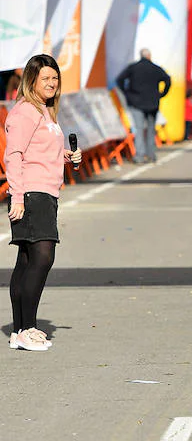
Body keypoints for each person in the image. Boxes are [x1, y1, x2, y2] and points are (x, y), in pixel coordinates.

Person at [4, 55, 82, 351]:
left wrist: (66, 154)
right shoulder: (25, 112)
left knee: (26, 260)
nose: (51, 83)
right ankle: (27, 328)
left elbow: (39, 149)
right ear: (31, 81)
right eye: (45, 78)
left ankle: (19, 330)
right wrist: (18, 196)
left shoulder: (44, 111)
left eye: (55, 78)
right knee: (42, 257)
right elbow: (13, 155)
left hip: (45, 191)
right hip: (32, 193)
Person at [116, 49, 171, 163]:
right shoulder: (155, 68)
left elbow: (119, 80)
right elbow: (167, 79)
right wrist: (162, 94)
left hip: (136, 103)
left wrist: (127, 94)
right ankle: (151, 154)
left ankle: (140, 155)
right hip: (152, 103)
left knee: (139, 129)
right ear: (149, 56)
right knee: (151, 130)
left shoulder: (133, 68)